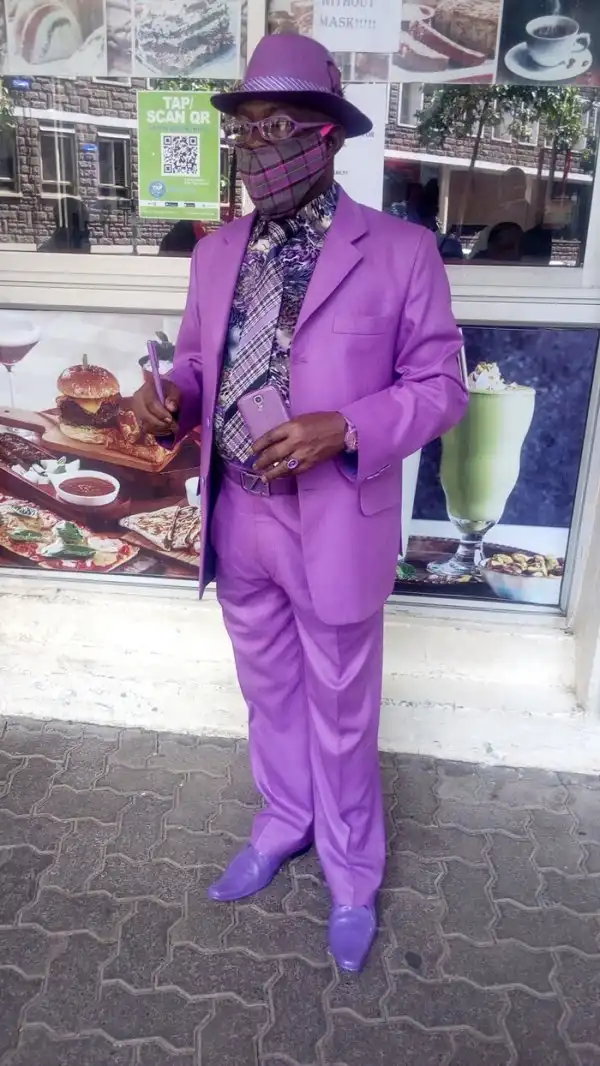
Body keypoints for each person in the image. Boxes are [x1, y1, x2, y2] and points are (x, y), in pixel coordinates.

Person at [132, 34, 467, 972]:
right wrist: (172, 397)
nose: (257, 147)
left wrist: (347, 426)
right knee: (269, 691)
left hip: (332, 518)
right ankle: (284, 820)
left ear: (327, 137)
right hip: (239, 515)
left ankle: (353, 872)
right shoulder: (215, 253)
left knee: (342, 707)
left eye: (277, 126)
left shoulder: (400, 252)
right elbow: (195, 362)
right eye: (245, 129)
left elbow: (441, 386)